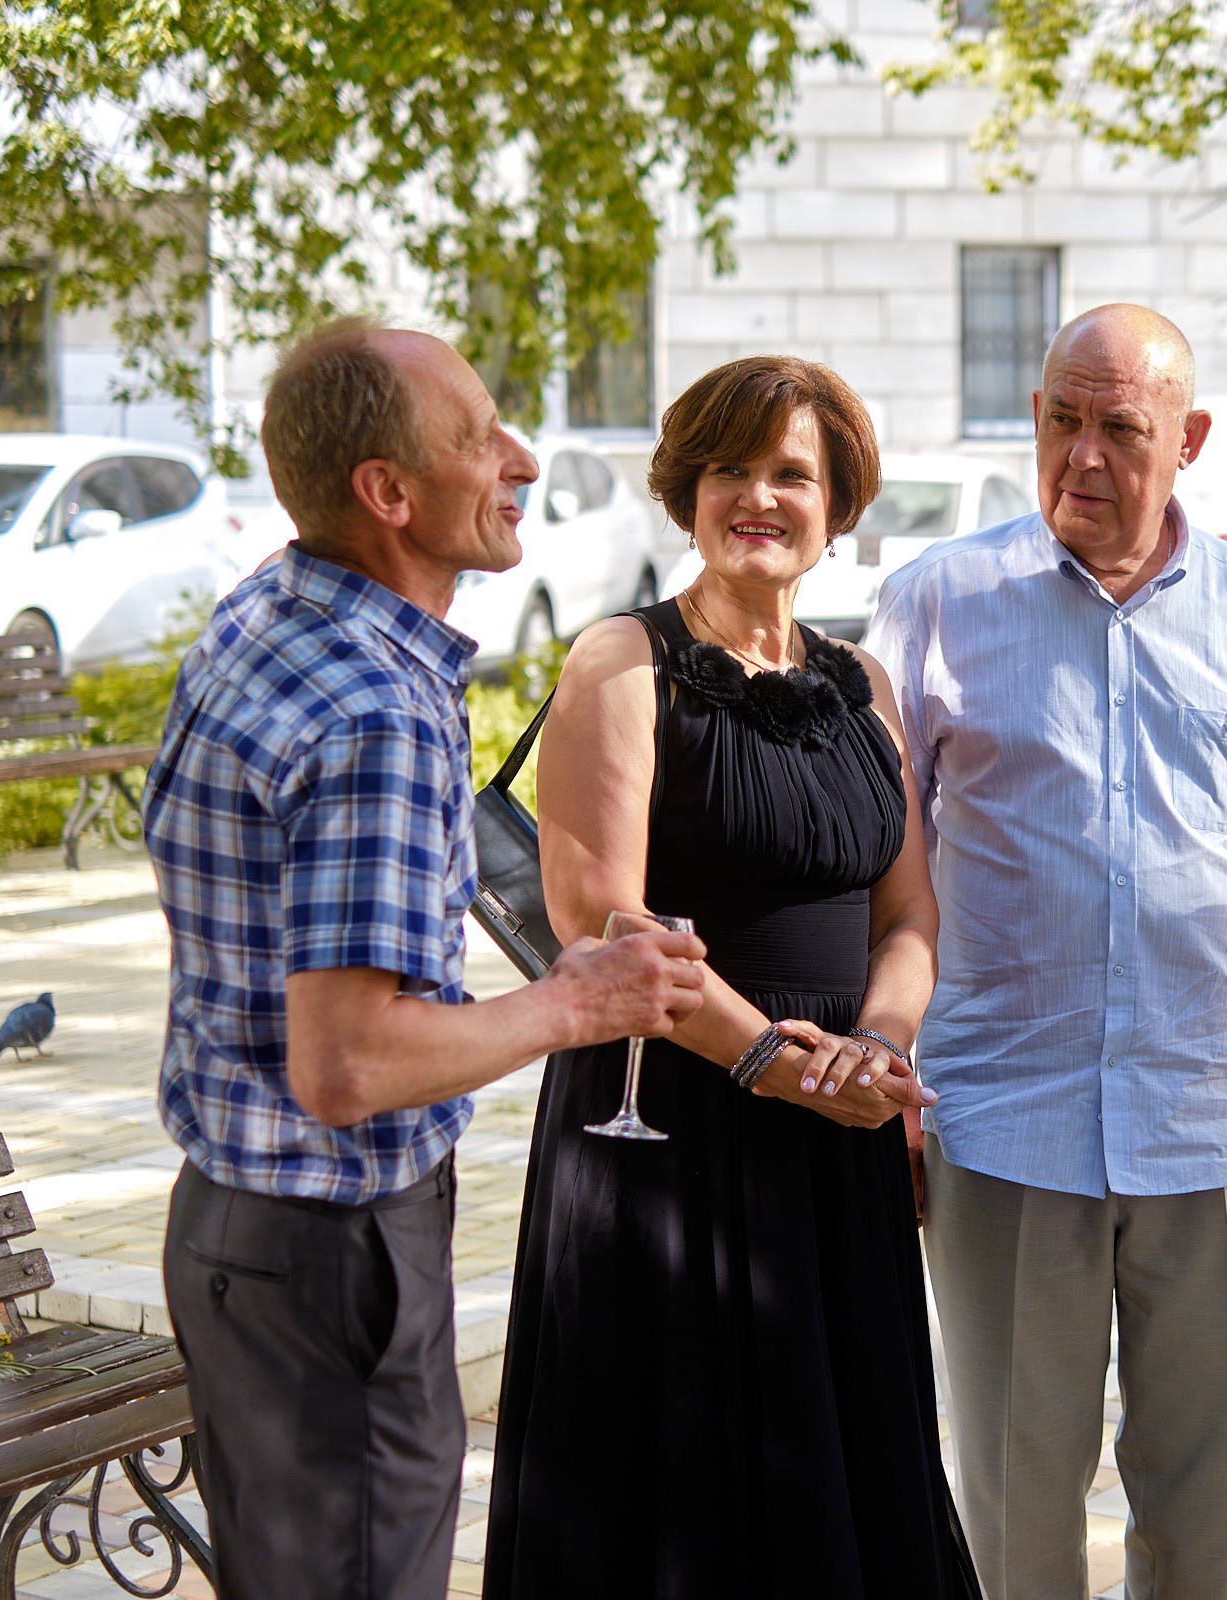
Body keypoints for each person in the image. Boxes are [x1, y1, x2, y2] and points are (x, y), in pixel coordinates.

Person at [144, 317, 707, 1600]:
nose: (519, 456)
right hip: (331, 1254)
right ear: (388, 495)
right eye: (476, 438)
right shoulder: (377, 710)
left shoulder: (270, 618)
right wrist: (575, 1003)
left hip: (238, 1232)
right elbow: (348, 1065)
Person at [865, 303, 1227, 1600]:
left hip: (1215, 1120)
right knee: (1017, 1505)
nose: (1082, 456)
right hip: (1001, 1116)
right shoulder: (931, 604)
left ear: (1188, 439)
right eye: (1060, 419)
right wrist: (887, 1076)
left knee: (1202, 1508)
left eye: (1120, 428)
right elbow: (882, 878)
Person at [484, 355, 980, 1599]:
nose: (760, 496)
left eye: (792, 474)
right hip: (673, 1124)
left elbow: (911, 909)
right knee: (674, 1488)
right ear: (686, 491)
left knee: (840, 1467)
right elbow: (602, 923)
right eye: (731, 470)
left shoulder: (862, 685)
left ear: (838, 502)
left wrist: (877, 1045)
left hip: (838, 1127)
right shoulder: (620, 662)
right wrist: (774, 1060)